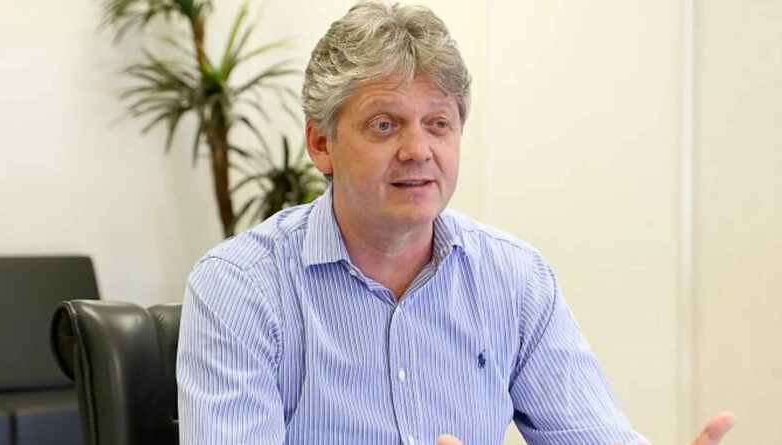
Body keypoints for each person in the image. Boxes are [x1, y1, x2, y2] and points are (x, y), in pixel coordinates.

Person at [177, 1, 735, 444]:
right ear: (321, 143)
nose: (418, 150)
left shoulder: (514, 279)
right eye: (384, 125)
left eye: (438, 123)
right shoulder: (240, 286)